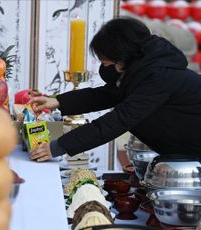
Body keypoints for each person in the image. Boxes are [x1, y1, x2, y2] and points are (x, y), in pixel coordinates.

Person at [29, 17, 201, 162]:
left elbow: (119, 120)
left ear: (121, 54)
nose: (103, 63)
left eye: (105, 58)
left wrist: (59, 146)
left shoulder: (160, 76)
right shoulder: (143, 68)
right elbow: (108, 95)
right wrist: (59, 101)